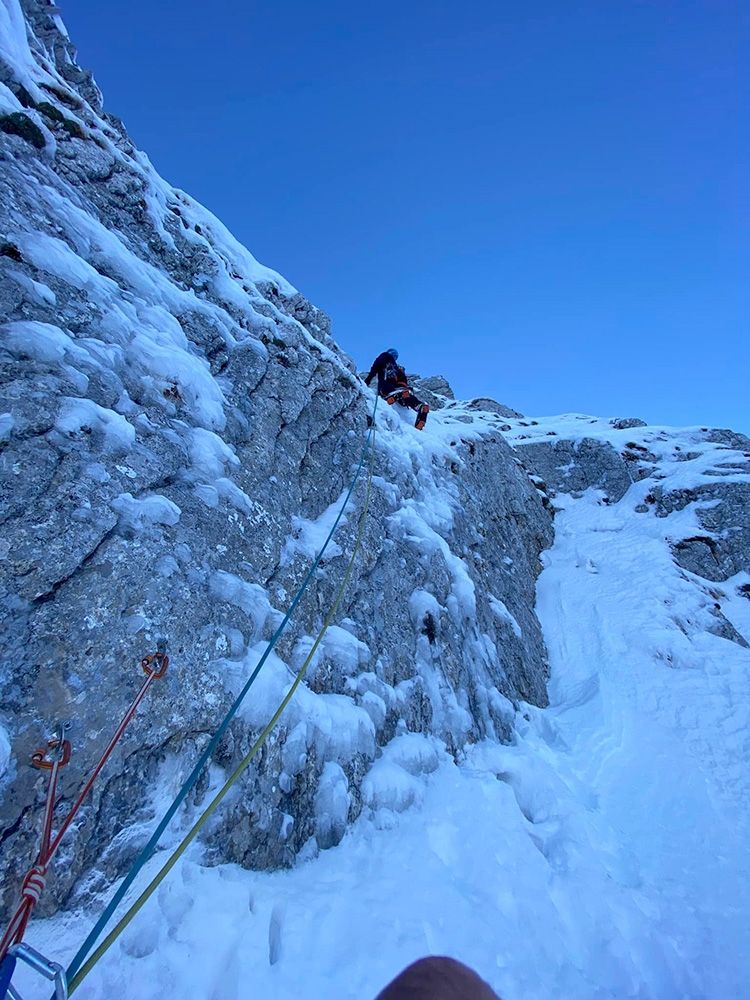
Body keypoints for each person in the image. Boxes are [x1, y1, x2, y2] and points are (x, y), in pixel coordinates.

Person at [364, 348, 429, 430]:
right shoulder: (397, 368)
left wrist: (369, 379)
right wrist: (402, 388)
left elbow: (377, 364)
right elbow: (402, 381)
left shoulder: (385, 355)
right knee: (404, 397)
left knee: (386, 391)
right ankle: (418, 405)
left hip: (385, 383)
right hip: (395, 387)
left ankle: (393, 396)